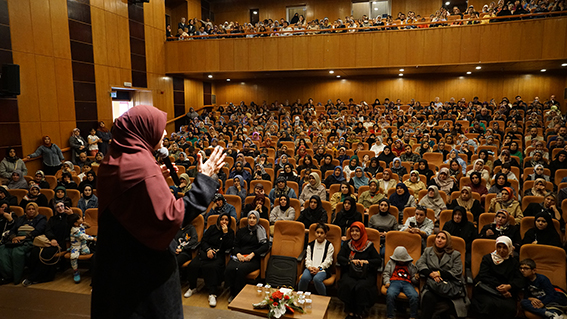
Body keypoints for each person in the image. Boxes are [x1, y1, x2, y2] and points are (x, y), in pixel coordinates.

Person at [91, 105, 224, 319]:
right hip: (144, 274)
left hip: (115, 268)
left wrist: (154, 182)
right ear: (142, 130)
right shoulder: (142, 168)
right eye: (159, 127)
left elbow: (133, 206)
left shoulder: (113, 160)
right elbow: (172, 217)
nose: (164, 132)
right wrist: (206, 179)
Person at [185, 212, 234, 307]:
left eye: (226, 220)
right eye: (222, 219)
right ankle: (192, 287)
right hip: (205, 253)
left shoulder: (230, 232)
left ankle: (212, 294)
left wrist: (225, 234)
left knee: (212, 267)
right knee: (193, 265)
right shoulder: (212, 228)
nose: (224, 221)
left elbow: (229, 246)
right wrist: (208, 250)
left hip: (218, 255)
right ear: (219, 220)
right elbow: (204, 241)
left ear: (229, 222)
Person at [416, 231, 468, 319]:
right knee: (428, 298)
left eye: (443, 238)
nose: (439, 240)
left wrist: (439, 274)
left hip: (450, 285)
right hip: (432, 285)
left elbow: (457, 271)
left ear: (447, 241)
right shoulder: (428, 251)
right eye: (438, 237)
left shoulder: (455, 254)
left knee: (451, 306)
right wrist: (431, 274)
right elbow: (419, 264)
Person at [22, 201, 74, 286]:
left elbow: (74, 228)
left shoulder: (69, 218)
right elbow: (48, 230)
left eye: (62, 206)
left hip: (62, 243)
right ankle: (33, 275)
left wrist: (71, 215)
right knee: (35, 251)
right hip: (50, 241)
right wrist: (52, 239)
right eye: (58, 207)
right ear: (55, 209)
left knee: (46, 254)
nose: (60, 208)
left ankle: (37, 278)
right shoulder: (52, 219)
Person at [471, 236, 524, 319]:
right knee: (487, 304)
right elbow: (483, 275)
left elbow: (520, 279)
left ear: (509, 248)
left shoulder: (513, 262)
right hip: (488, 290)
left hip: (506, 293)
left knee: (509, 308)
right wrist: (500, 288)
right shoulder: (487, 258)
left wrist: (509, 286)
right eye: (499, 247)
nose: (501, 250)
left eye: (504, 248)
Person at [337, 222, 381, 319]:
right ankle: (350, 312)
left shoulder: (369, 245)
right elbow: (339, 257)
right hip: (351, 272)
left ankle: (360, 312)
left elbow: (378, 261)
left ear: (362, 232)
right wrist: (350, 261)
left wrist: (366, 262)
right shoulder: (347, 244)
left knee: (361, 287)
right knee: (347, 284)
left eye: (357, 231)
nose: (354, 233)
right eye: (352, 231)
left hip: (366, 274)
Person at [224, 210, 269, 301]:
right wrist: (238, 254)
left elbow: (265, 246)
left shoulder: (260, 231)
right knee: (230, 268)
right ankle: (232, 293)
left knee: (240, 270)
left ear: (257, 219)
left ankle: (238, 294)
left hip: (253, 258)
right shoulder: (241, 231)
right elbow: (235, 245)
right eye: (250, 218)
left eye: (254, 218)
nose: (251, 220)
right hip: (240, 256)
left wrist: (253, 254)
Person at [0, 202, 47, 285]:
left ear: (36, 210)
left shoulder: (41, 219)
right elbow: (13, 230)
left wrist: (24, 237)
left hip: (30, 240)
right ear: (26, 211)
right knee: (3, 249)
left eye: (33, 209)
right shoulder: (21, 218)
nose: (31, 211)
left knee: (17, 251)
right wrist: (13, 237)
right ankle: (7, 275)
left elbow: (38, 231)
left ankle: (16, 278)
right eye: (29, 209)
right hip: (17, 239)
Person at [298, 223, 334, 296]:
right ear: (315, 233)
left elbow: (328, 260)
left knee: (317, 279)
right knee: (304, 278)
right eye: (317, 232)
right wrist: (309, 267)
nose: (319, 235)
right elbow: (307, 259)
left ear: (325, 234)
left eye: (322, 233)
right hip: (310, 268)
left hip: (323, 270)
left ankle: (323, 298)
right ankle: (300, 296)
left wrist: (319, 268)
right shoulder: (310, 245)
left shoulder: (329, 245)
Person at [383, 246, 419, 319]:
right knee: (390, 294)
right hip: (394, 282)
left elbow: (413, 278)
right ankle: (390, 316)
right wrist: (387, 282)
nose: (401, 261)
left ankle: (413, 316)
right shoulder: (391, 263)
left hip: (407, 283)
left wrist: (416, 278)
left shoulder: (410, 265)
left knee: (414, 296)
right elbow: (386, 273)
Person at [68, 213, 96, 283]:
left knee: (86, 252)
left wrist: (84, 223)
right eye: (80, 218)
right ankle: (76, 271)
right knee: (73, 257)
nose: (82, 218)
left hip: (83, 245)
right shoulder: (74, 230)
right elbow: (83, 236)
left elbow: (89, 226)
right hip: (76, 246)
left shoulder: (80, 225)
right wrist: (93, 239)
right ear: (75, 223)